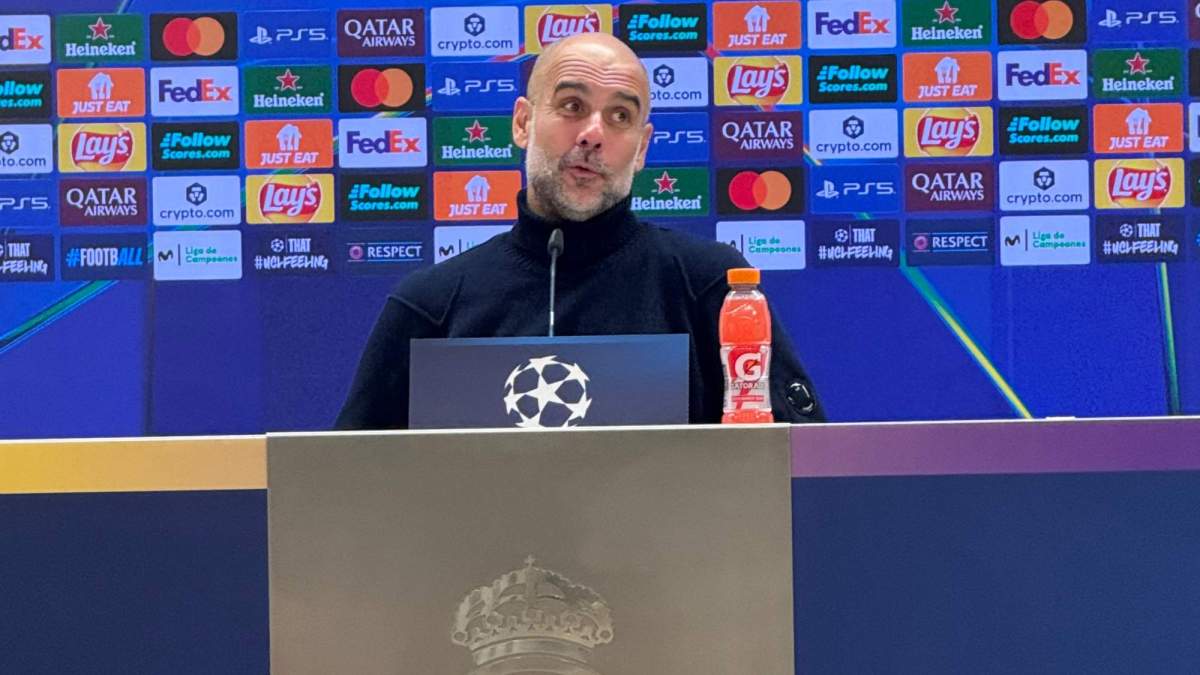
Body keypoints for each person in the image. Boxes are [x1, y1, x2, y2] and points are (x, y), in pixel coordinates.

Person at [335, 32, 823, 429]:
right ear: (523, 123)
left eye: (620, 116)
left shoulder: (715, 289)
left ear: (642, 148)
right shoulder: (431, 304)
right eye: (571, 106)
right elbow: (345, 491)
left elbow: (799, 475)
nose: (593, 134)